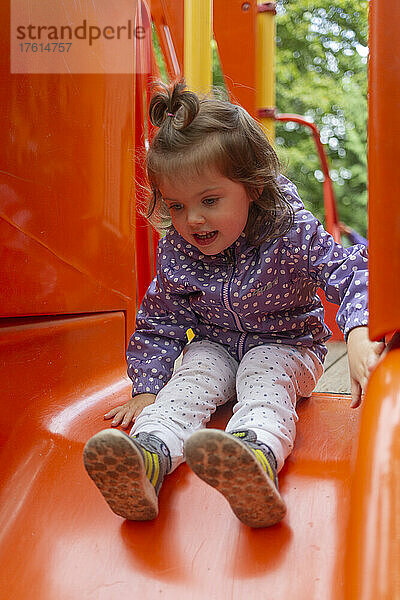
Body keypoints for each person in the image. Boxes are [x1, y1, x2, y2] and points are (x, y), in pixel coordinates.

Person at [83, 80, 384, 528]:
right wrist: (146, 387)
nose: (193, 219)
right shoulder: (180, 250)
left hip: (288, 345)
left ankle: (255, 455)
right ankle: (148, 456)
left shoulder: (289, 231)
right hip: (216, 344)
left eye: (209, 201)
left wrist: (359, 333)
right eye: (177, 206)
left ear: (254, 188)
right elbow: (161, 318)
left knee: (263, 373)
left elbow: (346, 270)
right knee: (192, 376)